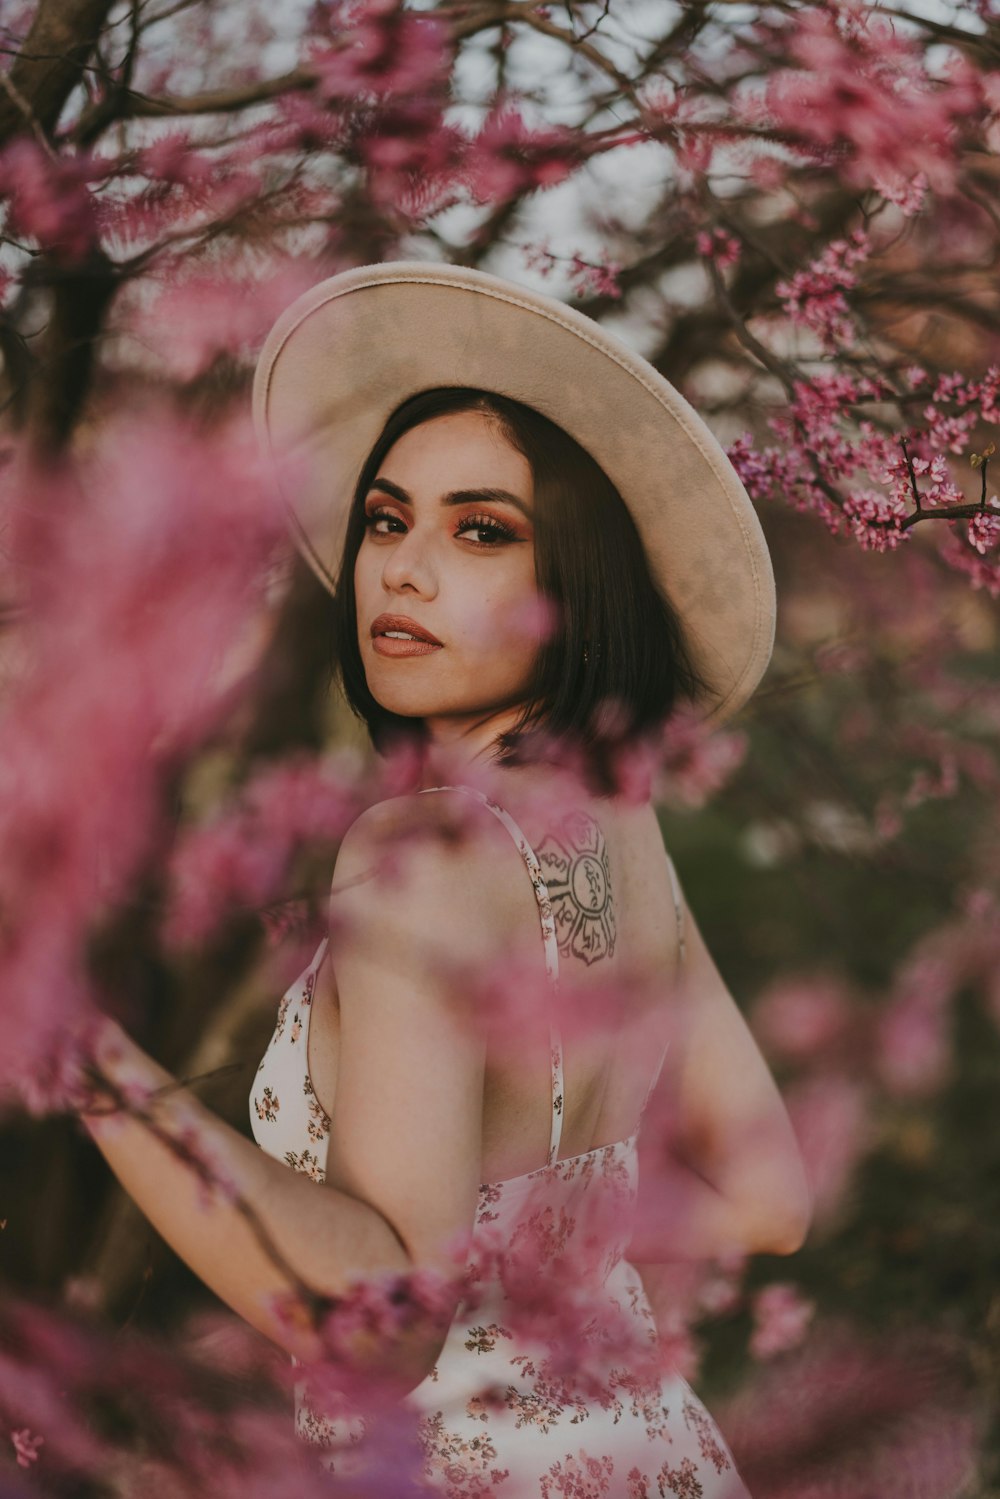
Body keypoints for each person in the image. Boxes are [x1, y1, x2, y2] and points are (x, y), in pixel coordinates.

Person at [80, 262, 811, 1498]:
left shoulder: (420, 852)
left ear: (577, 591)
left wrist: (83, 1062)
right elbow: (768, 1192)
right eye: (384, 517)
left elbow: (391, 1320)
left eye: (481, 529)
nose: (403, 569)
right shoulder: (627, 832)